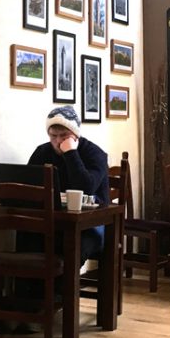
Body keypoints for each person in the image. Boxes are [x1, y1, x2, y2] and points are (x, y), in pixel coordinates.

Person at [26, 105, 109, 263]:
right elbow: (30, 183)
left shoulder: (95, 154)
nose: (58, 142)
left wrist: (71, 153)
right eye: (53, 136)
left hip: (91, 225)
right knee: (28, 235)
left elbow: (86, 188)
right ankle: (33, 288)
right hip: (56, 222)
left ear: (75, 135)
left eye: (64, 136)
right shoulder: (42, 152)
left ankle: (62, 288)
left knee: (71, 247)